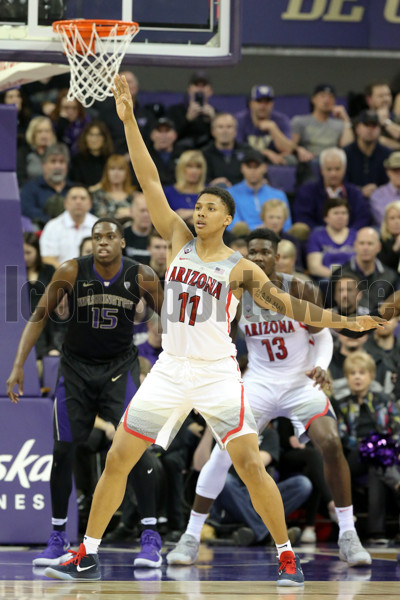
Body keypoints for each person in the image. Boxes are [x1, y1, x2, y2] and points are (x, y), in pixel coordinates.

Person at [41, 74, 383, 585]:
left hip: (219, 372)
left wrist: (348, 319)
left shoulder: (242, 267)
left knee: (248, 462)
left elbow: (295, 306)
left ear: (226, 218)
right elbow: (150, 179)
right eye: (196, 206)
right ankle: (86, 552)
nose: (197, 212)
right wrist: (129, 119)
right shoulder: (177, 236)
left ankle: (287, 554)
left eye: (207, 208)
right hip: (171, 369)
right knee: (119, 457)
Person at [167, 227, 371, 569]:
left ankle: (348, 535)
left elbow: (323, 336)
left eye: (265, 252)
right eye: (253, 252)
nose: (258, 257)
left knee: (331, 442)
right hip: (258, 383)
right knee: (222, 453)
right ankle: (190, 535)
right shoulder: (234, 292)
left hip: (299, 382)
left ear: (277, 256)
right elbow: (220, 340)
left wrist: (321, 366)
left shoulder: (299, 287)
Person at [7, 216, 164, 569]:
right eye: (97, 237)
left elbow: (169, 319)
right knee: (63, 450)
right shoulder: (70, 271)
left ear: (123, 243)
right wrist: (18, 365)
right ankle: (58, 537)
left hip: (119, 368)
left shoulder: (141, 275)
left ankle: (151, 536)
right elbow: (39, 316)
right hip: (75, 368)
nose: (103, 241)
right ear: (91, 242)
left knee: (135, 450)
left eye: (110, 236)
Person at [333, 351, 400, 544]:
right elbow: (344, 437)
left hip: (383, 453)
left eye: (362, 372)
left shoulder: (384, 399)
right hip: (355, 455)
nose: (357, 377)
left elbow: (396, 428)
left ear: (371, 375)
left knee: (375, 469)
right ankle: (397, 483)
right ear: (347, 378)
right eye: (352, 373)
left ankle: (376, 532)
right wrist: (371, 443)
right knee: (374, 452)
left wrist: (381, 444)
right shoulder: (343, 404)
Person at [292, 147, 371, 231]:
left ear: (344, 169)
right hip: (316, 239)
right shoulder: (307, 191)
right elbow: (303, 218)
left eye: (337, 169)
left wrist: (348, 235)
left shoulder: (354, 193)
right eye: (329, 169)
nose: (333, 174)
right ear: (321, 170)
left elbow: (363, 218)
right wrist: (324, 235)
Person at [328, 228, 399, 312]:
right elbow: (331, 306)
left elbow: (395, 307)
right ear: (355, 246)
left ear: (379, 247)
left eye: (370, 243)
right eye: (361, 243)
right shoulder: (339, 274)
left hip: (380, 322)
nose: (365, 248)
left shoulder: (391, 276)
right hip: (347, 322)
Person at [228, 149, 292, 233]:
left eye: (256, 166)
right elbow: (232, 225)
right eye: (249, 167)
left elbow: (287, 225)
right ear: (242, 168)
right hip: (243, 240)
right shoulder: (230, 194)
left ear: (264, 168)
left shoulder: (278, 195)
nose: (253, 171)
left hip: (275, 238)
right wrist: (259, 230)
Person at [236, 85, 297, 165]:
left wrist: (273, 128)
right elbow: (236, 148)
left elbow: (288, 149)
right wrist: (264, 152)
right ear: (251, 103)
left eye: (267, 102)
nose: (263, 106)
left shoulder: (281, 120)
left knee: (291, 159)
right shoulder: (240, 120)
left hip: (273, 160)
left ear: (272, 104)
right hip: (247, 160)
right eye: (259, 101)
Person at [39, 186, 98, 268]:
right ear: (66, 203)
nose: (78, 202)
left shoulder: (99, 226)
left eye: (83, 198)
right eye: (74, 198)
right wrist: (69, 274)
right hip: (62, 276)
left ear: (90, 204)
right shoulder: (52, 226)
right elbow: (47, 258)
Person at [291, 84, 354, 159]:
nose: (326, 100)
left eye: (330, 97)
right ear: (313, 99)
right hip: (308, 161)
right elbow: (290, 146)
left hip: (331, 162)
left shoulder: (339, 124)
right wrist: (298, 150)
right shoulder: (299, 121)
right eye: (322, 96)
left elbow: (348, 148)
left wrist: (346, 119)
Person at [20, 143, 73, 228]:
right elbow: (26, 211)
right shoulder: (30, 188)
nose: (58, 166)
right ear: (43, 165)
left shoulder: (75, 189)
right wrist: (53, 221)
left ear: (67, 165)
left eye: (62, 162)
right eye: (53, 161)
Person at [344, 110, 390, 199]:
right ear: (357, 128)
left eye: (374, 126)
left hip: (382, 201)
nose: (370, 129)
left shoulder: (387, 154)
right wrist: (359, 191)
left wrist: (378, 191)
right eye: (366, 125)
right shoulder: (345, 154)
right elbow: (341, 183)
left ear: (379, 129)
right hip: (351, 200)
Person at [306, 198, 357, 280]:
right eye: (336, 213)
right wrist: (339, 277)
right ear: (326, 217)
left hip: (354, 280)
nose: (340, 217)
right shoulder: (316, 236)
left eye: (344, 213)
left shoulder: (356, 236)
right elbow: (314, 267)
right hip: (326, 280)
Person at [167, 71, 216, 149]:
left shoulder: (217, 114)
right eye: (196, 85)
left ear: (210, 91)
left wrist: (214, 121)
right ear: (189, 89)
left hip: (208, 154)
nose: (200, 89)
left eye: (204, 85)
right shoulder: (175, 111)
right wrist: (187, 119)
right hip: (181, 152)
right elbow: (168, 137)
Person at [203, 113, 250, 186]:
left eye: (229, 127)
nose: (225, 131)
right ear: (213, 131)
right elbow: (202, 181)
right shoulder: (204, 154)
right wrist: (211, 184)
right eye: (220, 127)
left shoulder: (247, 151)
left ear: (235, 131)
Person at [163, 150, 207, 225]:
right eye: (189, 166)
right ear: (181, 168)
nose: (194, 171)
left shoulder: (209, 193)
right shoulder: (168, 193)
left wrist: (188, 214)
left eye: (198, 167)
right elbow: (164, 221)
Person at [69, 120, 114, 188]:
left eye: (98, 135)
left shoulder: (111, 160)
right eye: (91, 135)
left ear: (104, 138)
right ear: (85, 137)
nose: (94, 139)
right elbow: (75, 184)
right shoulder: (77, 160)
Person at [91, 154, 135, 220]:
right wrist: (119, 213)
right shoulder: (98, 195)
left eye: (121, 169)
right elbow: (100, 217)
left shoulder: (134, 196)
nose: (116, 173)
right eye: (112, 169)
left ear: (127, 173)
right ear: (107, 172)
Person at [17, 116, 57, 185]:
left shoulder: (58, 152)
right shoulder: (24, 152)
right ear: (32, 134)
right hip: (30, 191)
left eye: (47, 131)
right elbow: (20, 178)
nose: (44, 135)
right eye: (39, 131)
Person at [50, 90, 91, 155]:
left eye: (74, 108)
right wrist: (62, 124)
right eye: (66, 108)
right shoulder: (51, 122)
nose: (71, 112)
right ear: (59, 108)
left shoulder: (85, 121)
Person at [148, 117, 183, 187]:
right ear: (152, 135)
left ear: (175, 135)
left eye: (167, 131)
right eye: (159, 131)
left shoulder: (183, 155)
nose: (163, 135)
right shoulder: (144, 156)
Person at [365, 81, 400, 150]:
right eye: (380, 96)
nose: (386, 99)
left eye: (388, 95)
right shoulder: (362, 119)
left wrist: (385, 122)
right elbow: (372, 142)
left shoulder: (397, 118)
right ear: (369, 100)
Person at [370, 152, 400, 227]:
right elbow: (385, 222)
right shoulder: (378, 195)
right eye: (395, 170)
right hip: (386, 237)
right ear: (388, 172)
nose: (399, 173)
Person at [123, 192, 153, 264]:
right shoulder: (122, 236)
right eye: (142, 211)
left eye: (149, 211)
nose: (146, 215)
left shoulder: (161, 236)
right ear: (131, 212)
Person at [378, 200, 400, 271]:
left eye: (399, 217)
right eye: (392, 218)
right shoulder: (382, 241)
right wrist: (396, 247)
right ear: (386, 222)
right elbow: (384, 268)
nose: (396, 222)